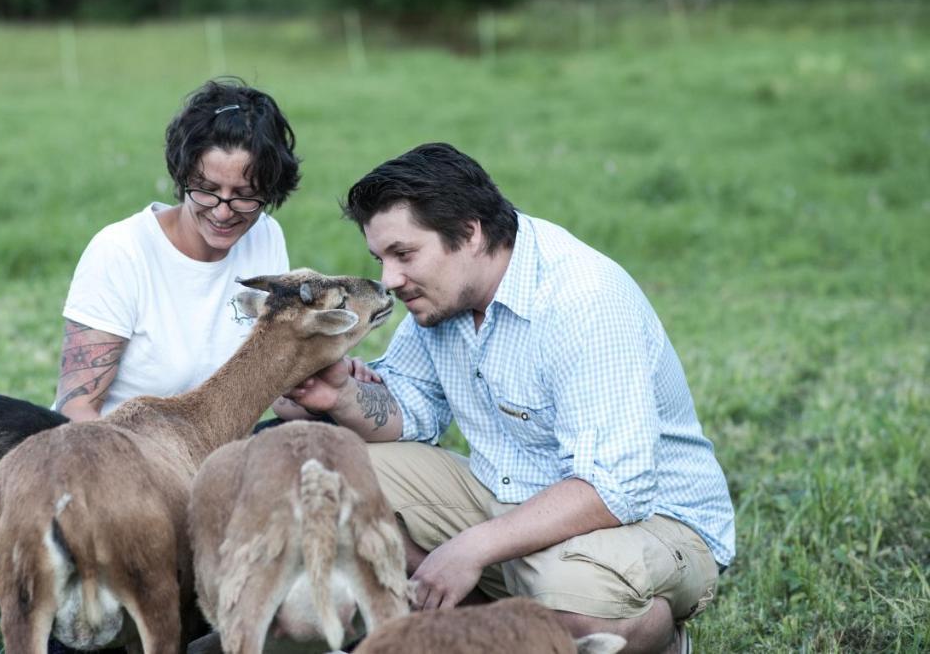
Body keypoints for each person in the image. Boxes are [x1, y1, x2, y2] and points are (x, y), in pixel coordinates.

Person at [283, 143, 735, 654]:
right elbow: (411, 412)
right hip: (508, 494)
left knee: (576, 614)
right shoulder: (440, 297)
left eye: (404, 254)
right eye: (381, 259)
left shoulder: (582, 299)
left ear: (470, 233)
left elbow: (617, 486)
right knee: (324, 473)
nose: (389, 280)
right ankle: (495, 628)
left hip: (649, 519)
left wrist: (471, 547)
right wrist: (340, 395)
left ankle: (655, 638)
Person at [55, 78, 299, 420]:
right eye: (207, 189)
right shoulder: (121, 252)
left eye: (245, 195)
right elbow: (76, 407)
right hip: (117, 453)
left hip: (214, 453)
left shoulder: (266, 236)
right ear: (182, 175)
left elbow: (275, 377)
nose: (223, 211)